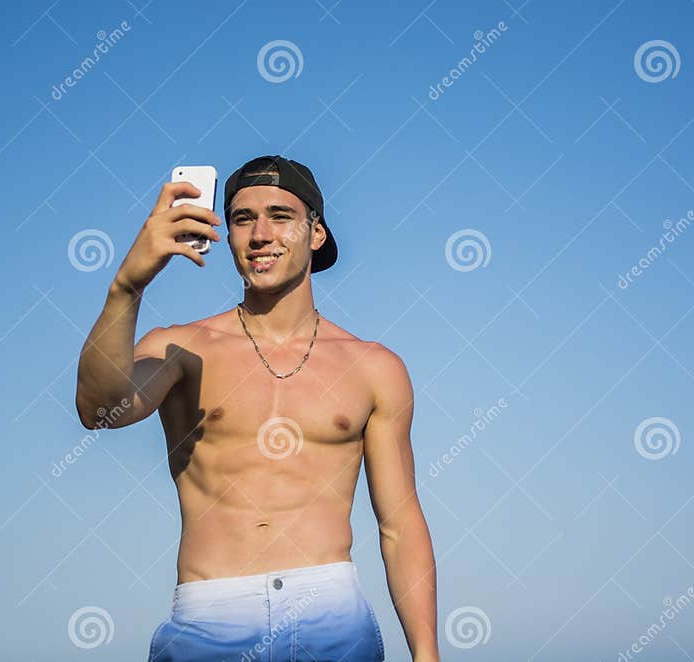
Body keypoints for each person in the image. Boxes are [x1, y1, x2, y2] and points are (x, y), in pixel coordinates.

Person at [74, 155, 440, 661]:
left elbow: (400, 524)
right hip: (210, 619)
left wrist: (426, 653)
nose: (259, 234)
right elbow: (99, 409)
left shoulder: (374, 367)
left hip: (332, 616)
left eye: (280, 216)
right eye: (243, 219)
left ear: (316, 234)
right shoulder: (182, 347)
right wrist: (127, 286)